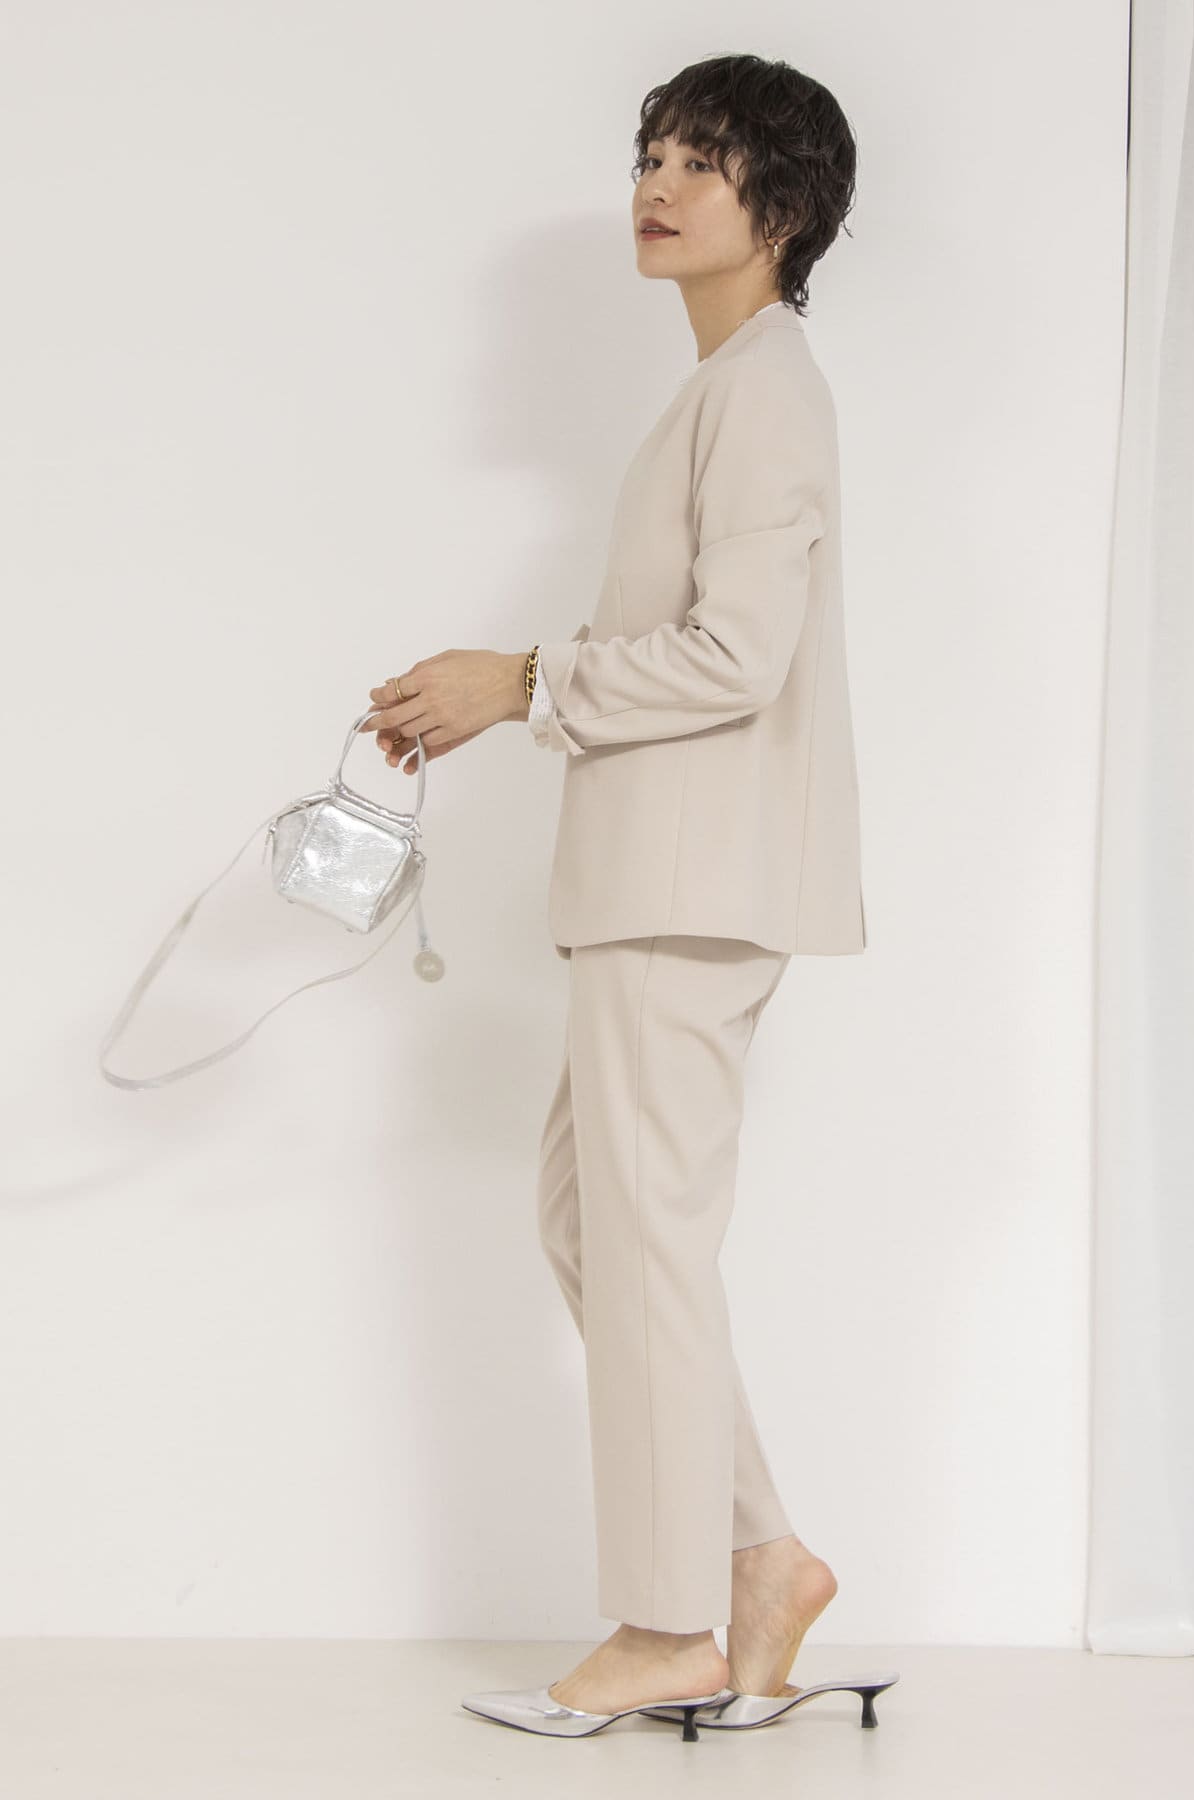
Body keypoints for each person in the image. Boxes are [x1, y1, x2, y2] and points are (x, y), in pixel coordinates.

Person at [359, 54, 870, 1739]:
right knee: (600, 1225)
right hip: (657, 884)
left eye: (701, 160)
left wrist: (520, 680)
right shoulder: (722, 388)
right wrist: (502, 690)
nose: (657, 183)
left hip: (687, 888)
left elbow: (738, 655)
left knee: (645, 1242)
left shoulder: (765, 388)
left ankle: (667, 1627)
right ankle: (763, 1560)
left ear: (783, 205)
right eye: (650, 152)